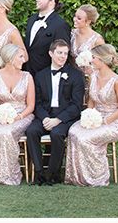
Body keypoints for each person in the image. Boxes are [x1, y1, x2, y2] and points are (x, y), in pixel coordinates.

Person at [65, 44, 118, 186]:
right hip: (95, 119)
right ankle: (77, 177)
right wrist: (88, 116)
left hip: (113, 123)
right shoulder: (93, 76)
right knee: (74, 132)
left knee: (86, 138)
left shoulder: (117, 81)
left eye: (93, 58)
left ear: (103, 60)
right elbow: (91, 101)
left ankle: (96, 177)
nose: (91, 60)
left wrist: (105, 120)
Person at [25, 39, 85, 185]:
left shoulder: (76, 76)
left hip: (65, 118)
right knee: (32, 131)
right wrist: (45, 118)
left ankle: (53, 173)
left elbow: (76, 105)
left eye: (65, 53)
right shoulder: (40, 75)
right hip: (44, 116)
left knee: (57, 134)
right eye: (59, 53)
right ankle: (39, 172)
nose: (63, 56)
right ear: (51, 53)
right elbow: (37, 103)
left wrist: (58, 120)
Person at [0, 44, 35, 185]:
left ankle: (9, 173)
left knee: (6, 132)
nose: (24, 60)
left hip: (23, 116)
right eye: (21, 56)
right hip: (2, 117)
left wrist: (18, 117)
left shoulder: (27, 76)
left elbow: (31, 106)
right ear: (11, 58)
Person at [23, 0, 71, 76]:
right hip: (26, 73)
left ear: (52, 2)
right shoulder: (32, 19)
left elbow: (62, 53)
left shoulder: (60, 25)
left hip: (46, 76)